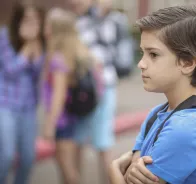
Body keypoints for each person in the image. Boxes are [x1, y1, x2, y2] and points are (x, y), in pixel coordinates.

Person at [113, 5, 196, 184]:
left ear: (187, 63)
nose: (141, 64)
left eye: (153, 54)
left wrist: (114, 168)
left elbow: (129, 170)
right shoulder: (158, 113)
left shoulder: (187, 128)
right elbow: (133, 166)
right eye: (142, 52)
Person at [42, 8, 102, 184]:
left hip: (62, 122)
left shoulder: (58, 59)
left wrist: (50, 124)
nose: (44, 28)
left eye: (47, 25)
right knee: (69, 171)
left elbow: (58, 96)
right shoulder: (72, 53)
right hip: (71, 119)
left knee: (69, 172)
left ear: (54, 30)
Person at [66, 0, 121, 183]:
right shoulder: (78, 21)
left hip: (100, 88)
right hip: (85, 88)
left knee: (103, 143)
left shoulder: (104, 19)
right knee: (78, 141)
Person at [0, 2, 45, 184]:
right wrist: (27, 48)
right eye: (27, 20)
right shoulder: (4, 37)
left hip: (29, 107)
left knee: (28, 158)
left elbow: (37, 73)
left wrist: (35, 50)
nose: (32, 25)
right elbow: (11, 70)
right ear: (18, 20)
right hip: (6, 105)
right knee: (8, 155)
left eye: (36, 21)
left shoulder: (39, 42)